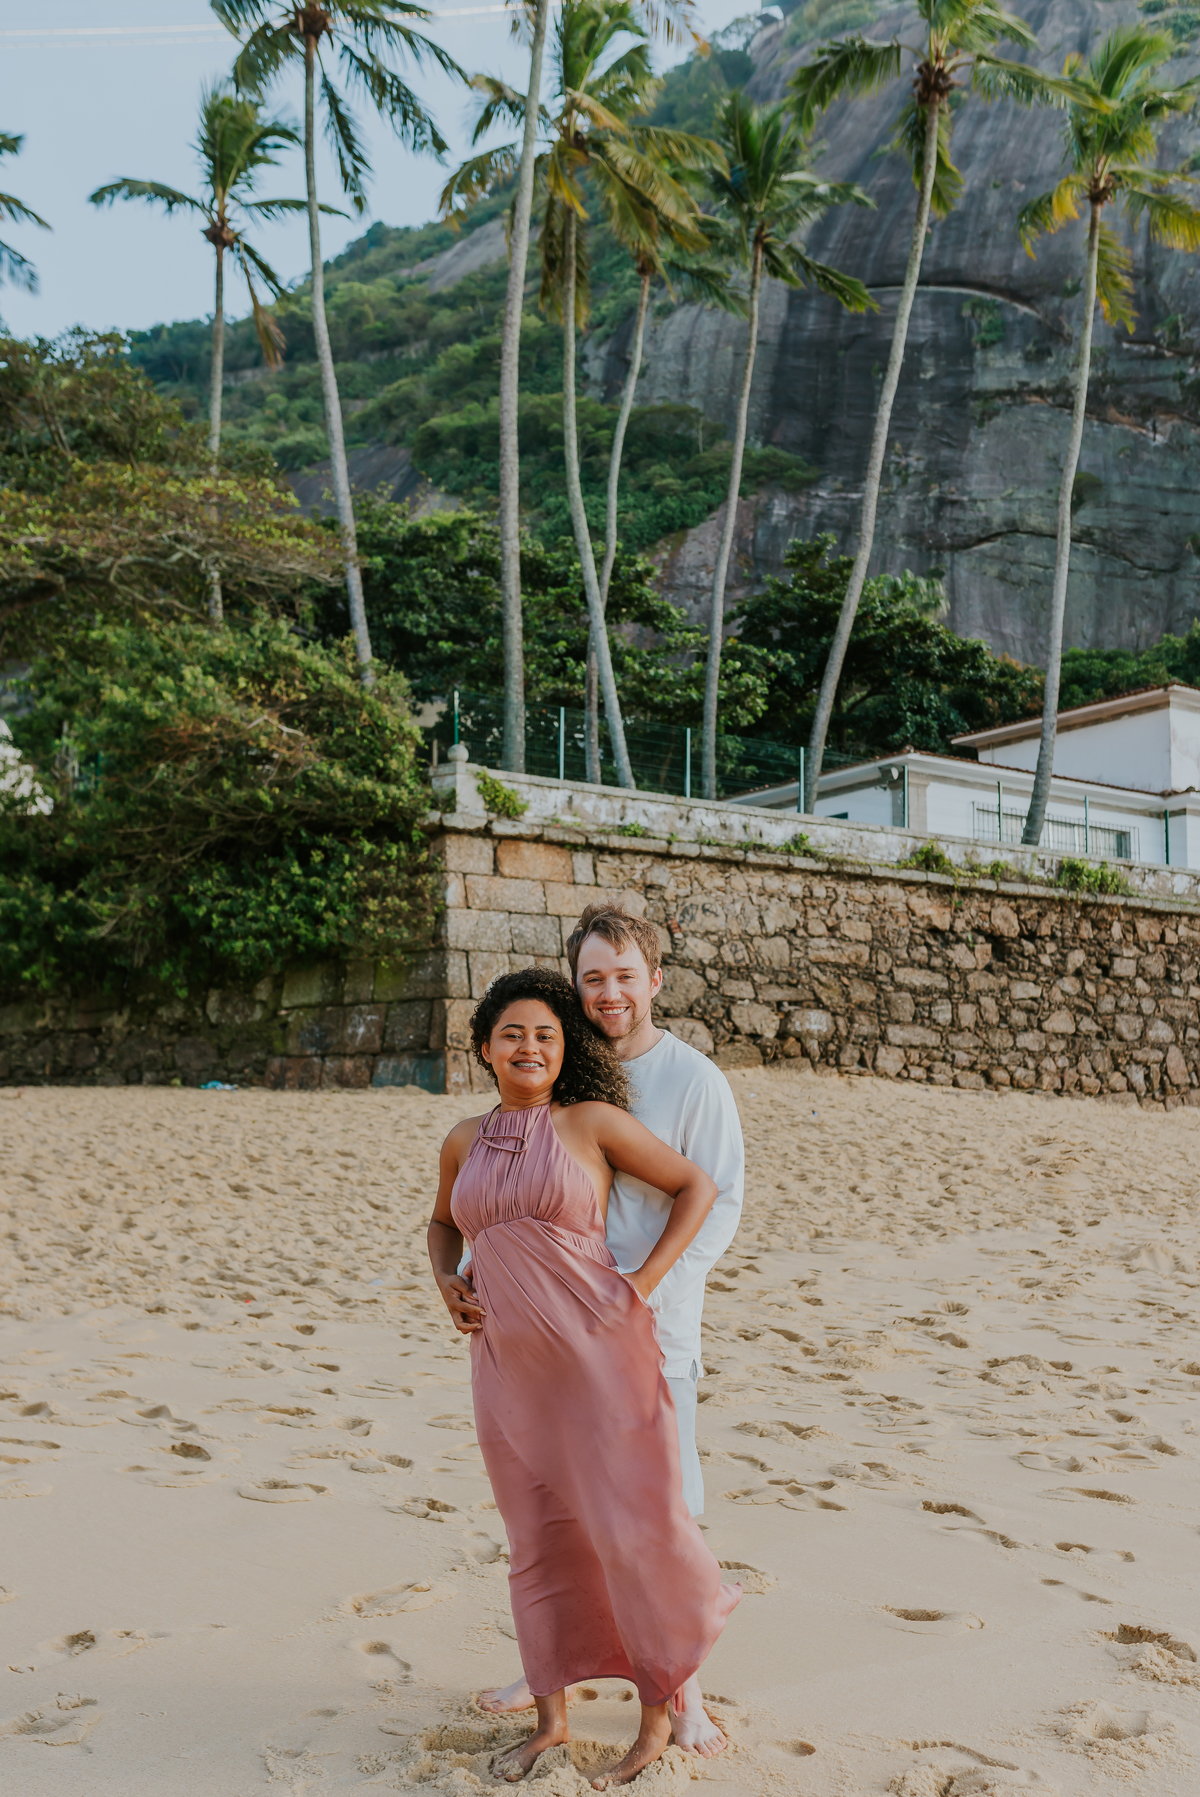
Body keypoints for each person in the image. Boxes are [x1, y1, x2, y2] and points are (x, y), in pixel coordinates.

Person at [428, 968, 741, 1787]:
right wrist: (446, 1279)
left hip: (601, 1361)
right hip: (505, 1368)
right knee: (536, 1541)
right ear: (485, 1047)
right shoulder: (462, 1137)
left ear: (564, 1050)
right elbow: (439, 1222)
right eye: (512, 1034)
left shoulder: (590, 1122)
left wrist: (641, 1285)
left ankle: (658, 1714)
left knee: (632, 1534)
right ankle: (552, 1720)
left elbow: (696, 1186)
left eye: (545, 1034)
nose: (528, 1046)